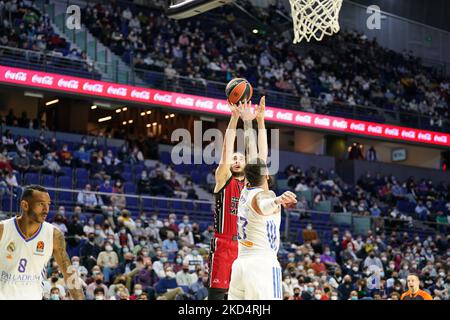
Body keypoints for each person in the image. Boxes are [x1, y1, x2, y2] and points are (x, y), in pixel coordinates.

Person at [0, 185, 84, 299]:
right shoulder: (3, 229)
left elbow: (68, 272)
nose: (46, 209)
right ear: (25, 205)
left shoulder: (53, 235)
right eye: (41, 204)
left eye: (48, 204)